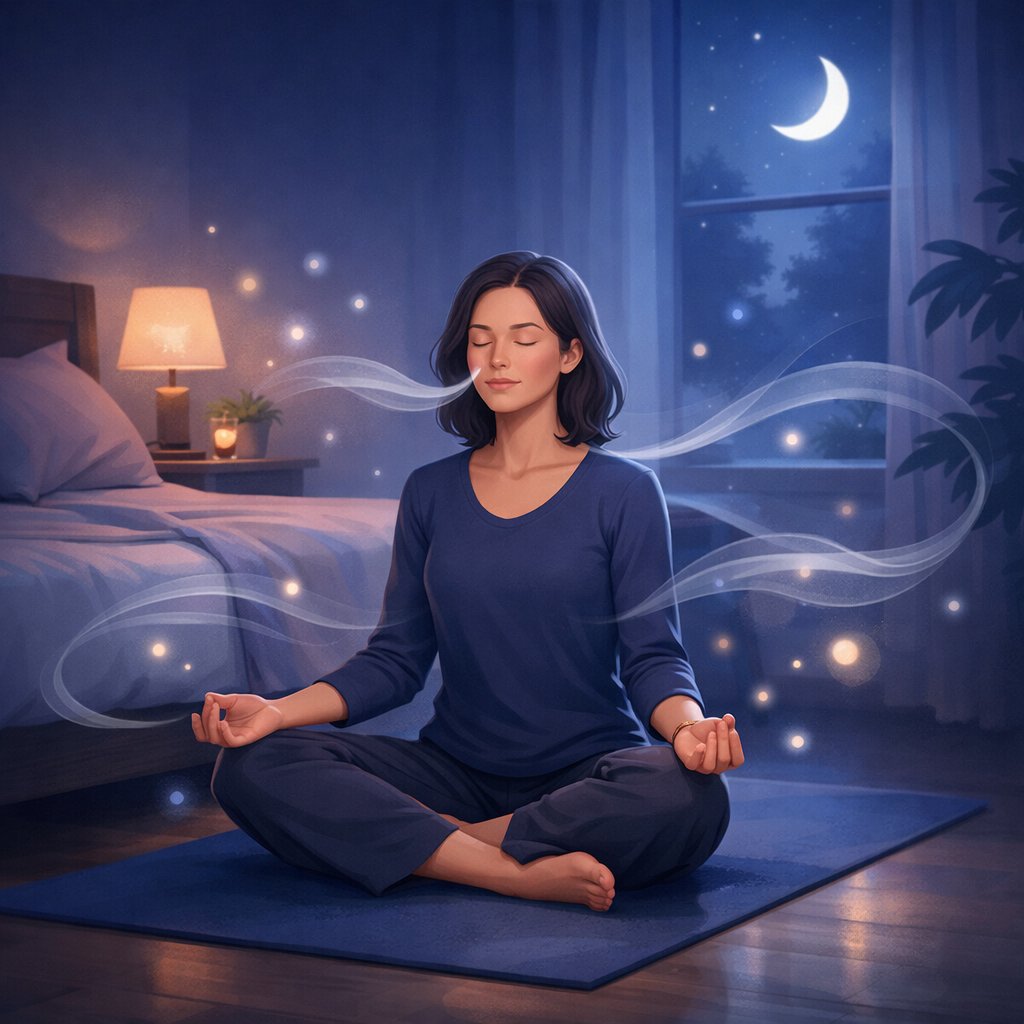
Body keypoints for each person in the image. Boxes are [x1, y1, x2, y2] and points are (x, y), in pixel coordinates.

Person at [193, 251, 743, 912]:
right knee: (251, 765)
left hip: (587, 773)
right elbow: (394, 662)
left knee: (688, 794)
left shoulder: (625, 492)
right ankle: (507, 870)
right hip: (452, 771)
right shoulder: (430, 492)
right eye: (481, 341)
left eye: (524, 338)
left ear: (570, 355)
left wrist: (688, 731)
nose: (498, 358)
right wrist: (277, 710)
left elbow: (654, 657)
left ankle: (438, 850)